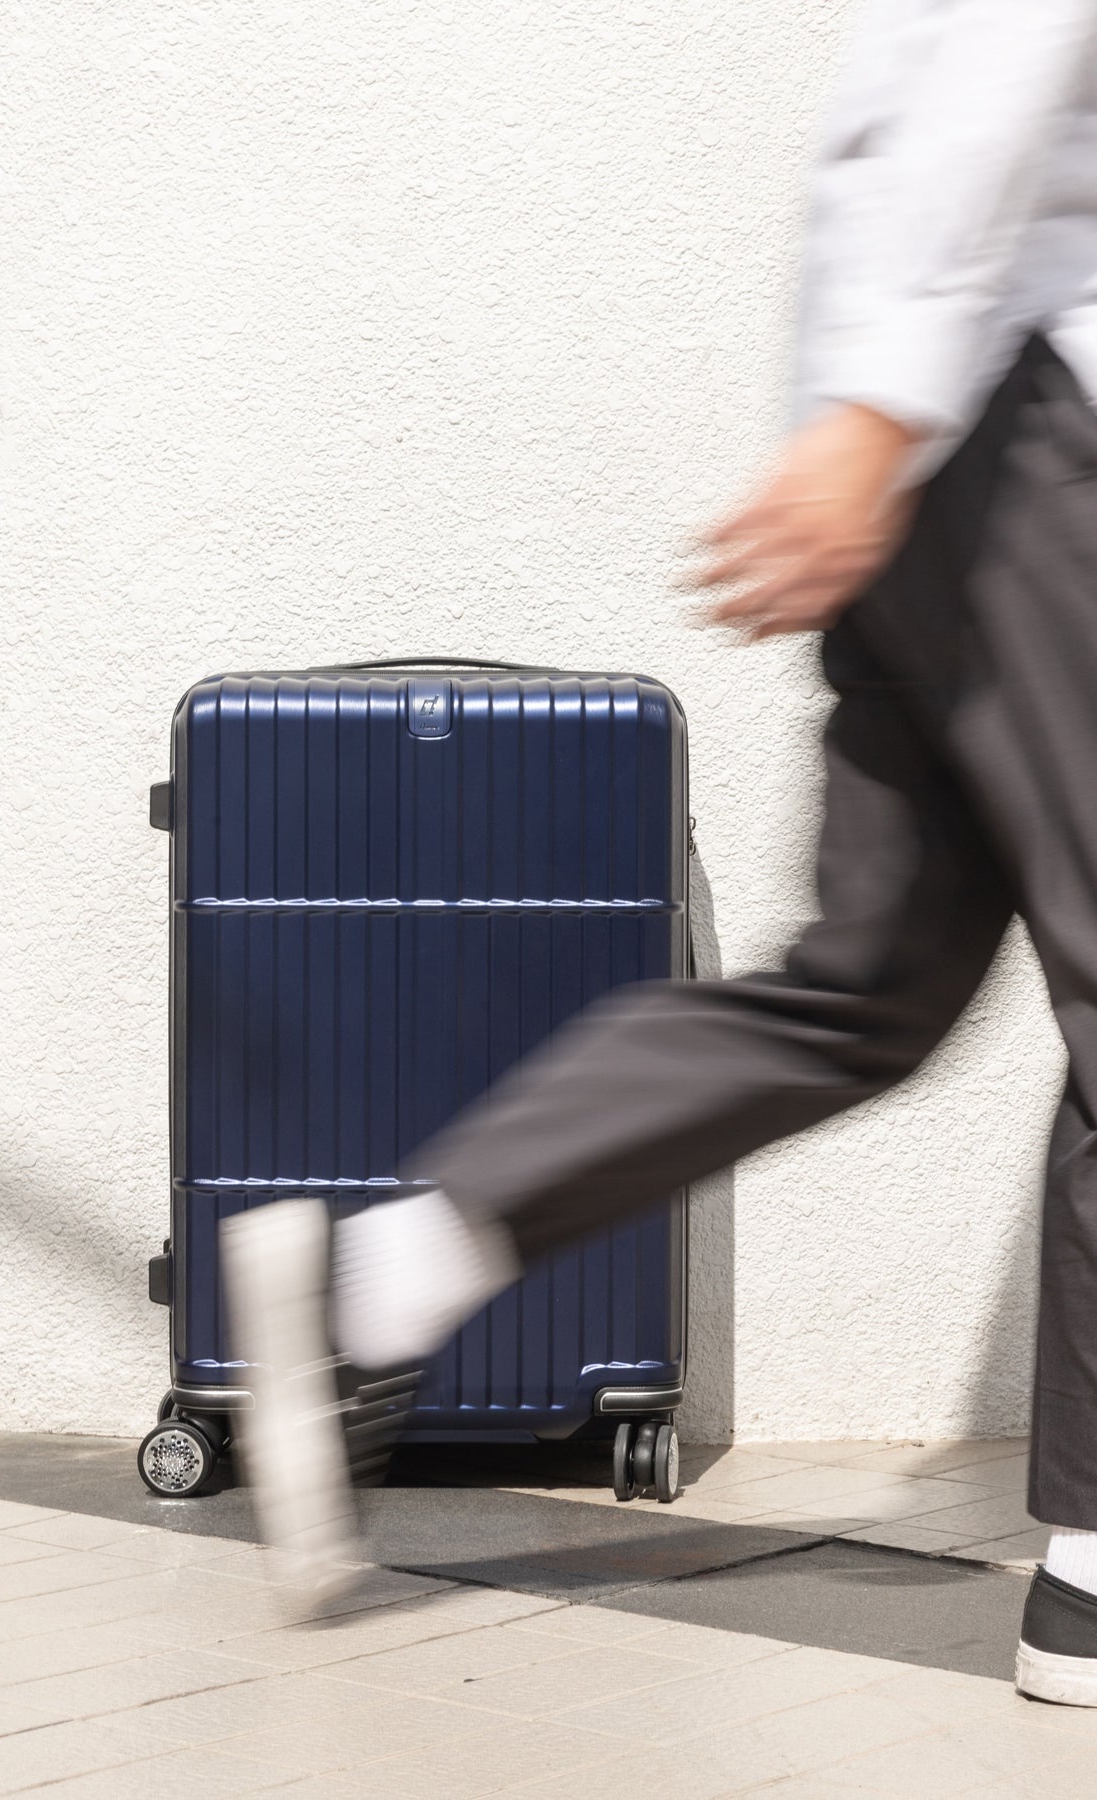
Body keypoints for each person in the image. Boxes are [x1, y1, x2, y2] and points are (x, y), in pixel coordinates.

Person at [223, 0, 1097, 1705]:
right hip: (1028, 440)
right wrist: (872, 417)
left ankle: (386, 1270)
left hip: (947, 454)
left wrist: (870, 425)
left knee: (860, 991)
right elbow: (995, 68)